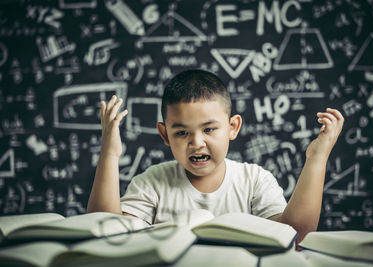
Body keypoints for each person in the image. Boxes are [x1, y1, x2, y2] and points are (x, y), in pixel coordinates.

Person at [87, 69, 344, 242]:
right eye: (182, 133)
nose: (196, 143)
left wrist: (316, 159)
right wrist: (110, 153)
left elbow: (295, 235)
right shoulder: (152, 183)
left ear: (232, 127)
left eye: (209, 129)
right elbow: (107, 232)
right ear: (165, 136)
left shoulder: (254, 180)